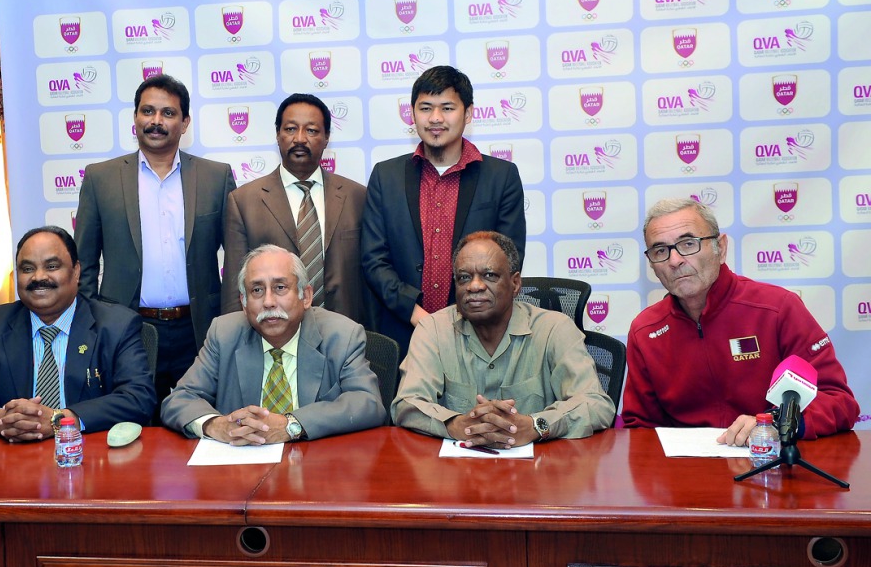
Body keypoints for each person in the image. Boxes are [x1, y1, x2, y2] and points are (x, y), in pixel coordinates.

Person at [623, 198, 858, 443]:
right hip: (687, 473)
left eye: (688, 243)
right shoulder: (645, 330)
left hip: (771, 464)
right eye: (661, 251)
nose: (675, 260)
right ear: (651, 264)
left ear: (721, 249)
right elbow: (641, 428)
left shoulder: (777, 308)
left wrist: (776, 423)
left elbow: (838, 400)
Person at [74, 74, 236, 406]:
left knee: (198, 422)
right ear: (135, 118)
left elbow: (236, 258)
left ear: (185, 122)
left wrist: (230, 322)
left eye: (168, 113)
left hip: (198, 330)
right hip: (125, 329)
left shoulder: (215, 177)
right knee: (130, 425)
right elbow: (83, 263)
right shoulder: (100, 178)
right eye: (147, 111)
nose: (156, 121)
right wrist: (94, 323)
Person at [392, 232, 613, 447]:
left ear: (515, 284)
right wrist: (455, 424)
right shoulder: (433, 330)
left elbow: (596, 404)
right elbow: (407, 403)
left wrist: (537, 425)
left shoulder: (554, 328)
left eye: (489, 275)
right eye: (464, 277)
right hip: (457, 475)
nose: (474, 286)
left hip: (540, 472)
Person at [362, 65, 525, 355]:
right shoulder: (385, 177)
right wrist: (420, 318)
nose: (435, 118)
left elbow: (509, 258)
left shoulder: (502, 177)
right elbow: (374, 260)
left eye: (447, 107)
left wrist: (460, 318)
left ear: (469, 113)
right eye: (425, 108)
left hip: (479, 335)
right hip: (403, 334)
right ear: (412, 114)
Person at [0, 226, 156, 440]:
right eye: (27, 269)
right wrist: (2, 420)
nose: (38, 277)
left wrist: (60, 420)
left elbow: (138, 398)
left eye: (52, 266)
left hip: (90, 458)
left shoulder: (116, 325)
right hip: (13, 460)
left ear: (76, 271)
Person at [161, 244, 385, 445]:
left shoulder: (341, 335)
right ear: (244, 302)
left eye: (280, 287)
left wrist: (291, 425)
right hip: (241, 473)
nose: (268, 302)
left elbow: (367, 402)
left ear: (305, 296)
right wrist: (216, 426)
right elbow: (180, 399)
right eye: (257, 290)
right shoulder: (224, 333)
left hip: (317, 471)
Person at [221, 93, 367, 325]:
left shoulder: (356, 197)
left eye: (311, 130)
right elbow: (233, 289)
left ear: (327, 137)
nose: (300, 139)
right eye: (290, 129)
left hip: (344, 333)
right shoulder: (243, 201)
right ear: (277, 135)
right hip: (272, 334)